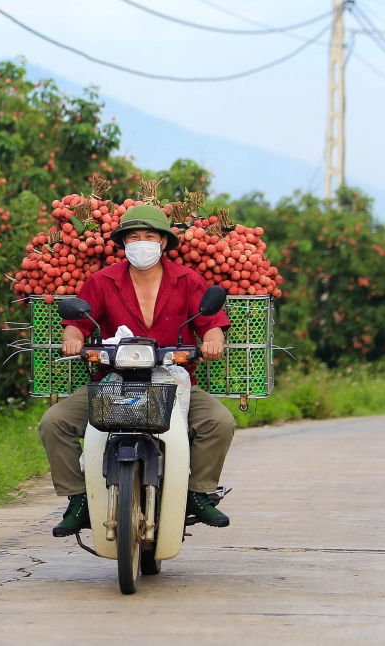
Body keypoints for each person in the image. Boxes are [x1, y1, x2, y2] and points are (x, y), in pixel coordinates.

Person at [38, 204, 237, 537]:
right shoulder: (102, 281)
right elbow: (75, 325)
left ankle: (197, 494)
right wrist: (72, 340)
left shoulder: (188, 280)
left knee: (219, 422)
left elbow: (211, 323)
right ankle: (78, 500)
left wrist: (213, 341)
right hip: (114, 381)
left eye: (149, 236)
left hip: (172, 381)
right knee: (54, 422)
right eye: (134, 237)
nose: (141, 243)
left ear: (163, 242)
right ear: (124, 243)